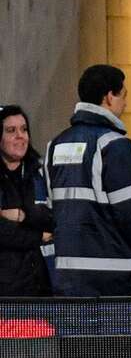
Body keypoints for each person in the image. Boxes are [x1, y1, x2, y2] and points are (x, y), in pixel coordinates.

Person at [45, 65, 131, 297]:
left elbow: (53, 210)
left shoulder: (55, 145)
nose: (125, 104)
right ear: (109, 97)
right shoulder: (113, 144)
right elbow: (130, 211)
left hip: (68, 278)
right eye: (123, 95)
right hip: (115, 278)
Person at [0, 105, 53, 296]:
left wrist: (21, 216)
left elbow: (52, 219)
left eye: (24, 129)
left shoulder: (39, 173)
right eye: (11, 131)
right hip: (6, 291)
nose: (20, 136)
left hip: (41, 284)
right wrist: (38, 236)